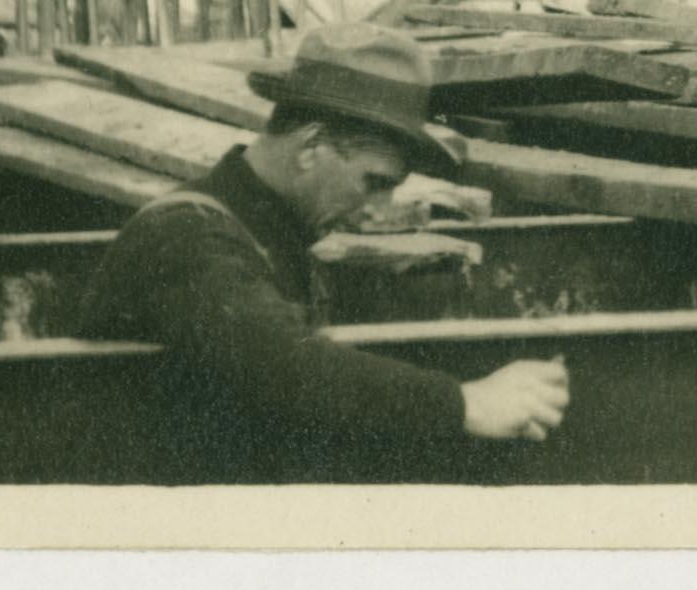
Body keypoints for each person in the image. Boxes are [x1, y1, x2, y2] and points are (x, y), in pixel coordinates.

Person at [74, 25, 570, 478]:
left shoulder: (258, 229)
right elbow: (285, 366)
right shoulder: (186, 235)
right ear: (311, 146)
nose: (380, 210)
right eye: (373, 183)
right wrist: (466, 404)